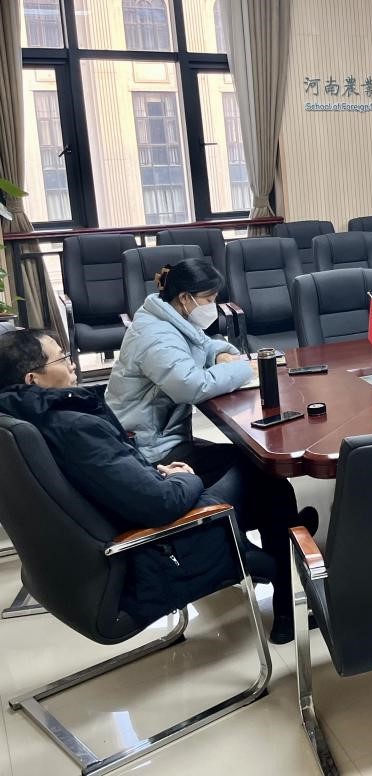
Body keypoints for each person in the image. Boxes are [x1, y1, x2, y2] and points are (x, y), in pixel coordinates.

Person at [0, 330, 310, 643]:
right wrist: (184, 476)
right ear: (32, 379)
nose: (71, 364)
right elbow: (161, 504)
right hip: (150, 556)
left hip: (105, 542)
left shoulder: (18, 421)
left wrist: (152, 474)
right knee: (262, 473)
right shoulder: (75, 429)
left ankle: (285, 540)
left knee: (259, 482)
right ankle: (288, 592)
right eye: (61, 358)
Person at [105, 259, 254, 469]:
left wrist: (218, 354)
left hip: (159, 436)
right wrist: (244, 369)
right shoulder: (157, 336)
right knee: (253, 466)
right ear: (185, 297)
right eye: (208, 300)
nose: (213, 307)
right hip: (147, 448)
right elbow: (192, 386)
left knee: (250, 460)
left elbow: (200, 344)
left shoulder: (168, 317)